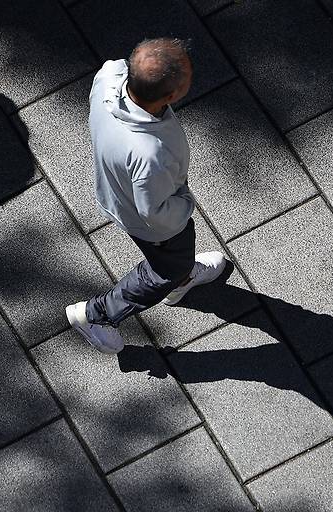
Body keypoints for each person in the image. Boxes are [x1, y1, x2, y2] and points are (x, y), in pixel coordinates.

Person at [66, 38, 225, 354]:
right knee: (165, 268)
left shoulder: (110, 75)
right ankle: (96, 315)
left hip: (115, 192)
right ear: (171, 95)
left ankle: (181, 275)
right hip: (154, 226)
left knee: (173, 262)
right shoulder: (151, 155)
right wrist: (185, 202)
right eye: (186, 81)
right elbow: (154, 212)